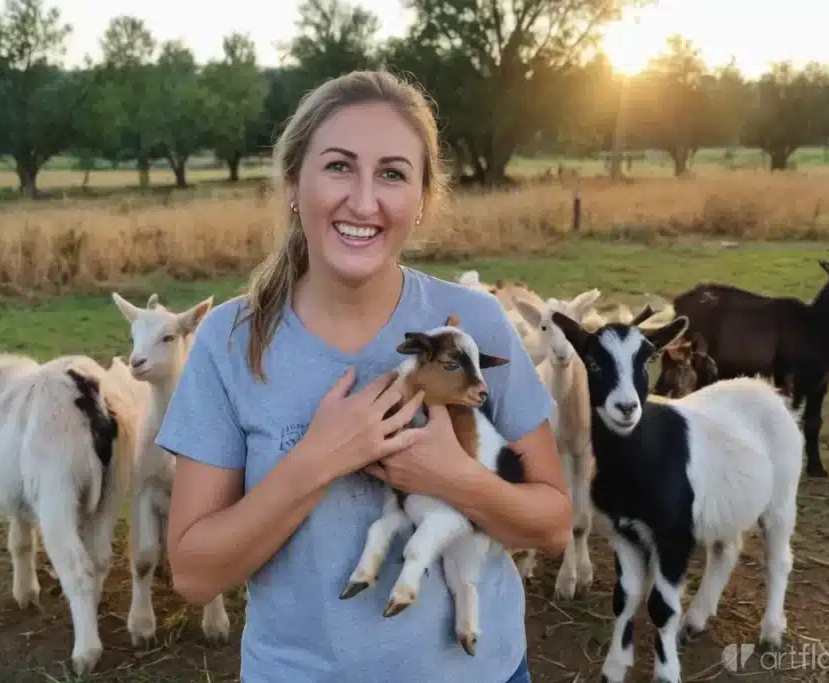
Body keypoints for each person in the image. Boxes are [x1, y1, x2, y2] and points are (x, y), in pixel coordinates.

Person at [157, 69, 573, 683]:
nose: (363, 200)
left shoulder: (476, 326)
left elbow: (555, 525)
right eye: (338, 166)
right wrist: (318, 458)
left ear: (424, 200)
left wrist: (453, 477)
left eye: (393, 174)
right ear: (294, 183)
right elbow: (194, 574)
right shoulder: (229, 341)